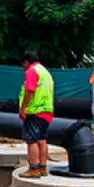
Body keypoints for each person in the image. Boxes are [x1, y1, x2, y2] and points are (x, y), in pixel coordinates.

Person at [18, 50, 55, 178]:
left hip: (35, 111)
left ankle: (34, 168)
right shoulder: (45, 72)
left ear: (26, 62)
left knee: (31, 140)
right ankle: (43, 167)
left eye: (23, 64)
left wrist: (23, 108)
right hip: (46, 111)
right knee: (41, 139)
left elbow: (30, 90)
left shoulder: (32, 71)